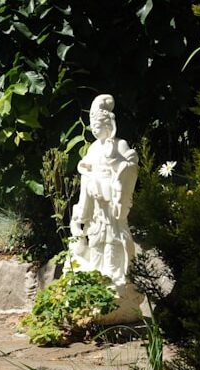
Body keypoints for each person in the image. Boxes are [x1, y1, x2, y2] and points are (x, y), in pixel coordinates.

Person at [67, 94, 138, 287]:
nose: (96, 131)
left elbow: (130, 166)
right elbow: (86, 171)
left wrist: (116, 173)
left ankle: (113, 276)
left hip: (112, 204)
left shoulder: (119, 145)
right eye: (94, 127)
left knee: (113, 239)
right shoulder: (93, 148)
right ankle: (96, 276)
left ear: (109, 124)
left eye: (99, 127)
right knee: (96, 238)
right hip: (96, 204)